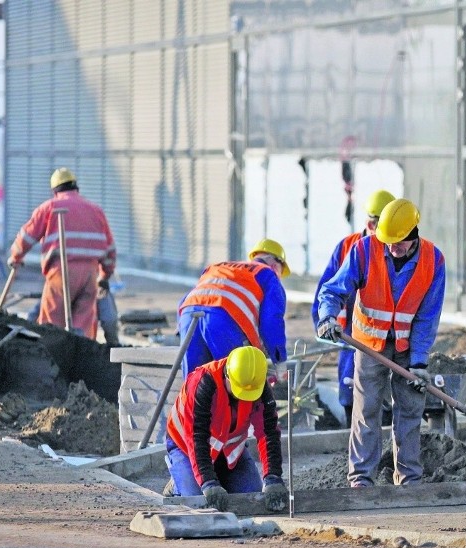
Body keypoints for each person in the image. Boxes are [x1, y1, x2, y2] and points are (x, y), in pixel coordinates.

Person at [315, 198, 446, 487]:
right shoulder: (364, 249)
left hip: (408, 348)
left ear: (413, 235)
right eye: (386, 241)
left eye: (398, 243)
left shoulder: (433, 261)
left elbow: (428, 316)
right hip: (369, 345)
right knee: (367, 410)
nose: (391, 248)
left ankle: (409, 478)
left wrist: (420, 362)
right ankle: (361, 479)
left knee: (410, 411)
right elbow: (333, 290)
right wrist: (328, 318)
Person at [164, 345, 288, 512]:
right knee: (198, 503)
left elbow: (268, 432)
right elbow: (197, 437)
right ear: (227, 376)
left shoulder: (256, 384)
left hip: (230, 452)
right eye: (240, 391)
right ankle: (177, 484)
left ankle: (217, 478)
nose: (243, 397)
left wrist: (273, 477)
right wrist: (208, 482)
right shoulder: (203, 383)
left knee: (251, 498)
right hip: (185, 448)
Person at [311, 189, 396, 427]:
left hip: (392, 341)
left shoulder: (398, 248)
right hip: (354, 339)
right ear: (372, 223)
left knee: (389, 403)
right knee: (353, 397)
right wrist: (327, 326)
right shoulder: (350, 247)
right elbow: (326, 293)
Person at [8, 167, 116, 339]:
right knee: (84, 325)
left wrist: (16, 257)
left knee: (51, 324)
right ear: (76, 188)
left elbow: (26, 236)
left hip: (60, 274)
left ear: (55, 191)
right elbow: (110, 250)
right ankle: (82, 358)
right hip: (90, 274)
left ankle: (53, 357)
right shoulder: (96, 211)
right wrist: (105, 275)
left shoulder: (49, 207)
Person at [177, 238, 289, 378]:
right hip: (224, 319)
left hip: (188, 316)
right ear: (275, 264)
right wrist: (280, 363)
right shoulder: (268, 274)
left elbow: (185, 300)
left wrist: (181, 330)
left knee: (193, 385)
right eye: (281, 272)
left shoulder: (219, 266)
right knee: (237, 382)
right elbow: (271, 321)